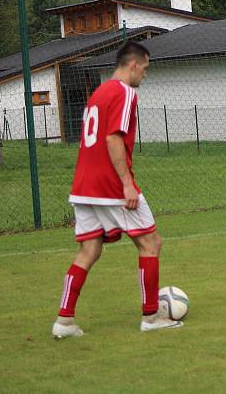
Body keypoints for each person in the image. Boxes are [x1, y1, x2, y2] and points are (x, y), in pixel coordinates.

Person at [51, 41, 182, 339]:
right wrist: (126, 184)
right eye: (145, 69)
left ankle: (65, 321)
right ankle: (151, 316)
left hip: (83, 185)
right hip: (110, 185)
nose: (145, 75)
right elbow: (112, 138)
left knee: (89, 249)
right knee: (151, 243)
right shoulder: (124, 92)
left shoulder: (98, 93)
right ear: (133, 65)